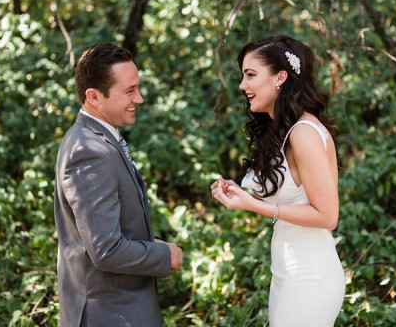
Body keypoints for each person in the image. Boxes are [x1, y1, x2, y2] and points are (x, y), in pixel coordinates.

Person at [211, 36, 345, 326]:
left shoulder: (304, 133)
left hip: (309, 278)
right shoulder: (284, 131)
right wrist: (240, 194)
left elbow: (328, 215)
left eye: (250, 75)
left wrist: (254, 206)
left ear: (280, 78)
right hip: (288, 273)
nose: (242, 85)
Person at [54, 43, 183, 327]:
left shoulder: (96, 138)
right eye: (129, 91)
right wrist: (163, 255)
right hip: (112, 314)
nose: (139, 98)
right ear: (94, 97)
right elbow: (106, 250)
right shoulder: (89, 152)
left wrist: (149, 242)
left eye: (137, 87)